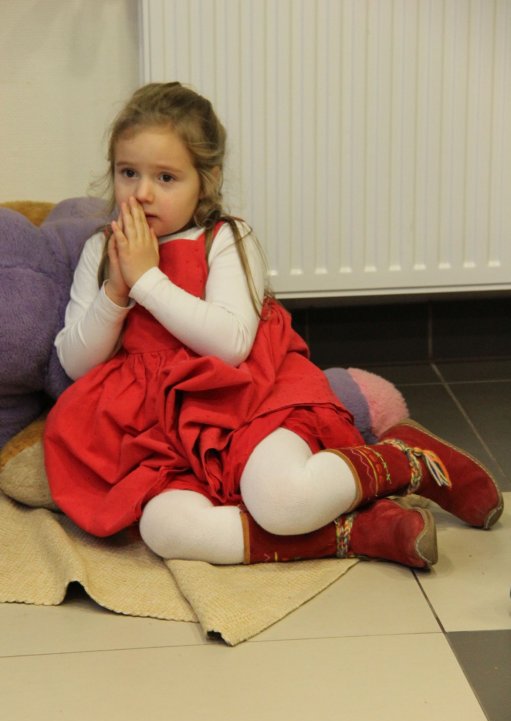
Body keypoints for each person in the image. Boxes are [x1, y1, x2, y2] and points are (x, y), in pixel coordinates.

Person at [44, 82, 503, 569]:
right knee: (164, 529)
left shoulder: (226, 238)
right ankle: (357, 532)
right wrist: (115, 292)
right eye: (128, 173)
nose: (142, 192)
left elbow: (230, 345)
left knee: (281, 501)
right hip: (164, 436)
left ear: (207, 180)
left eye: (166, 177)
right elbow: (76, 364)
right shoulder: (102, 250)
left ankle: (405, 460)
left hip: (251, 405)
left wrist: (146, 281)